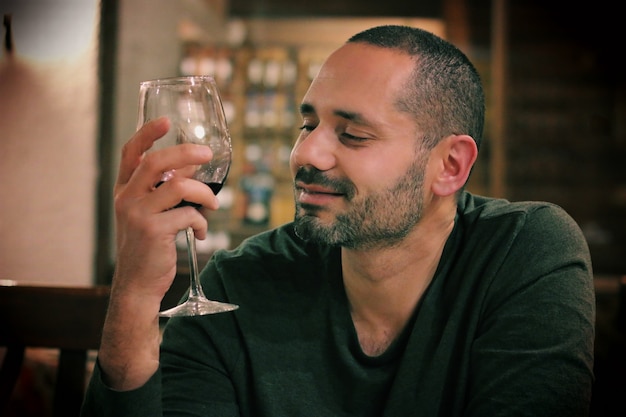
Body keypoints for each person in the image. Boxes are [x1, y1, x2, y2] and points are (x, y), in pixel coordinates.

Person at [81, 25, 595, 417]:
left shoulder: (524, 251)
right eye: (308, 124)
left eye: (352, 135)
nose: (307, 152)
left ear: (450, 166)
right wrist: (133, 295)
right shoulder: (239, 283)